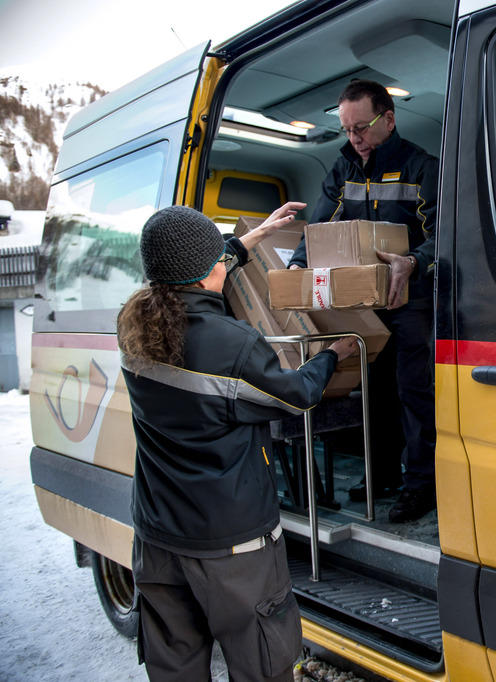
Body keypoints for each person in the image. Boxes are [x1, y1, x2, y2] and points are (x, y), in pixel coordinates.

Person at [118, 203, 357, 682]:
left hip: (158, 538)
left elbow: (188, 270)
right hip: (232, 549)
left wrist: (252, 239)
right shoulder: (233, 345)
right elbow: (298, 396)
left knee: (175, 668)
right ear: (211, 271)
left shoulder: (133, 329)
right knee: (262, 665)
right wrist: (333, 354)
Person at [287, 79, 438, 523]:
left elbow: (442, 237)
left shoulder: (420, 167)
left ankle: (421, 485)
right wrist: (298, 265)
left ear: (388, 119)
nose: (355, 139)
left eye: (362, 128)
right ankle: (383, 474)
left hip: (412, 300)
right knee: (374, 393)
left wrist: (413, 261)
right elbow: (320, 226)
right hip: (365, 303)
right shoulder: (344, 169)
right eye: (348, 130)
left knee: (415, 395)